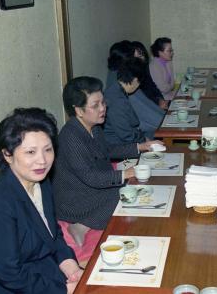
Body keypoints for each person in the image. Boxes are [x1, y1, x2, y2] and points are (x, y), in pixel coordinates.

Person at [0, 108, 82, 294]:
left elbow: (52, 233)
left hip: (46, 274)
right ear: (7, 154)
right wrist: (62, 289)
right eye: (30, 152)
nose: (42, 161)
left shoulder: (41, 182)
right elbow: (10, 276)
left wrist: (70, 265)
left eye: (48, 149)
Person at [53, 76, 161, 264]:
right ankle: (80, 226)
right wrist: (125, 174)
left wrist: (140, 147)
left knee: (131, 189)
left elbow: (108, 150)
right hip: (74, 200)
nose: (103, 108)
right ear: (78, 110)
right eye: (95, 105)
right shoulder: (71, 137)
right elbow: (92, 178)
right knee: (126, 193)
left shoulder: (93, 128)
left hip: (89, 188)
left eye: (103, 102)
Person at [107, 41, 165, 138]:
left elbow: (147, 103)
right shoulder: (122, 83)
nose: (141, 58)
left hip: (144, 129)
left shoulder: (125, 76)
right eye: (137, 55)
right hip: (135, 138)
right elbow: (141, 120)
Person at [105, 59, 152, 144]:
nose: (138, 87)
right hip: (118, 144)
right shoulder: (117, 100)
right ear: (135, 80)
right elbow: (126, 135)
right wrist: (145, 140)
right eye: (139, 83)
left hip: (125, 136)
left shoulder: (115, 88)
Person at [132, 41, 168, 110]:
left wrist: (160, 99)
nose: (142, 58)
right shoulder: (132, 75)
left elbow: (152, 85)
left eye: (142, 54)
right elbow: (143, 96)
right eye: (138, 55)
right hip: (148, 107)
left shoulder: (145, 68)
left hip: (157, 102)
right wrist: (158, 102)